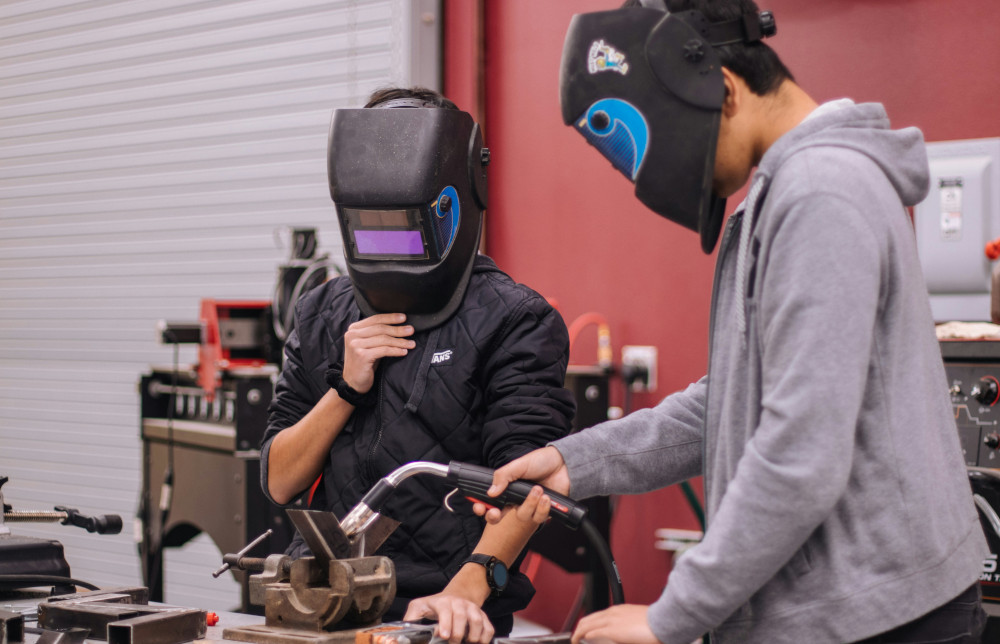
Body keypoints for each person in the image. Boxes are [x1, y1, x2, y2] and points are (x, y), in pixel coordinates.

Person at [481, 1, 989, 643]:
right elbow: (729, 405)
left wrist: (675, 618)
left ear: (722, 89)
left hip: (881, 619)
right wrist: (570, 461)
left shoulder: (822, 193)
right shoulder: (787, 192)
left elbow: (799, 452)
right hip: (847, 610)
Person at [260, 86, 574, 644]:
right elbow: (280, 480)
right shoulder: (320, 312)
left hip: (443, 612)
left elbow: (528, 491)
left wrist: (467, 588)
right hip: (321, 605)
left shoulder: (515, 320)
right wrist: (345, 389)